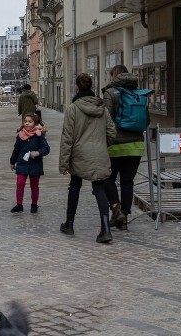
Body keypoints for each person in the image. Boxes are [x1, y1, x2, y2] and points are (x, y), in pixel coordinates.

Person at [58, 73, 117, 243]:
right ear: (92, 87)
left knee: (75, 186)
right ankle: (105, 229)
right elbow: (111, 132)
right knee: (99, 188)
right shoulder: (102, 108)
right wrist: (102, 145)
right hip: (99, 153)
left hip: (79, 154)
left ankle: (69, 224)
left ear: (77, 87)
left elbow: (67, 138)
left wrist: (63, 163)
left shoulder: (73, 109)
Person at [101, 64, 145, 231]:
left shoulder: (110, 93)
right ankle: (124, 218)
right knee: (128, 181)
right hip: (136, 145)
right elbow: (146, 120)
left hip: (116, 145)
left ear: (114, 76)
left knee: (107, 178)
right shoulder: (139, 93)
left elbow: (106, 119)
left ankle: (116, 209)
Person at [9, 113, 50, 214]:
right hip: (22, 163)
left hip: (35, 164)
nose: (27, 123)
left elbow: (46, 149)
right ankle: (19, 204)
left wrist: (37, 153)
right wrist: (12, 161)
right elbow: (16, 149)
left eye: (30, 121)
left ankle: (34, 204)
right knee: (20, 183)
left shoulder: (39, 135)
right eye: (25, 121)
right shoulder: (20, 135)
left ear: (35, 123)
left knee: (34, 186)